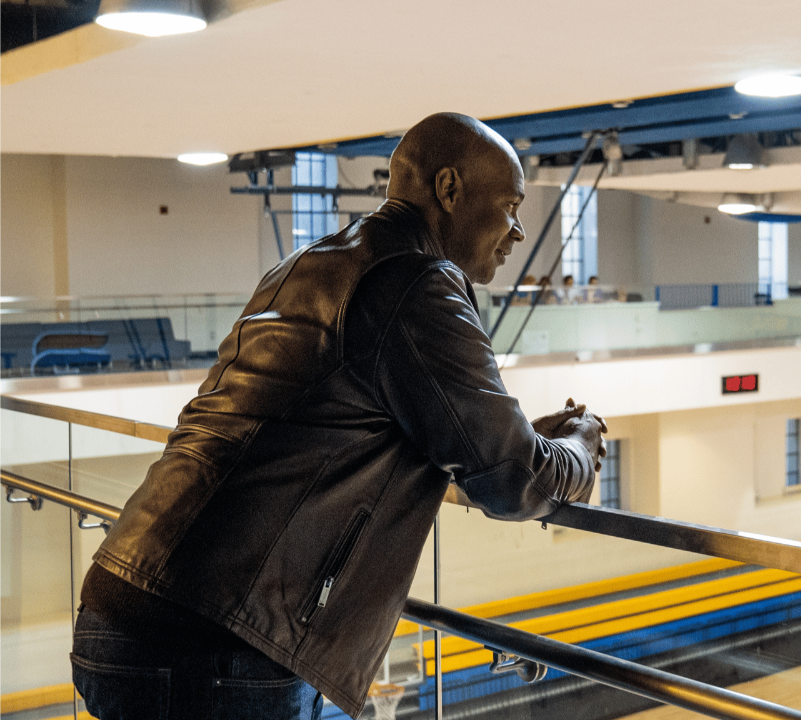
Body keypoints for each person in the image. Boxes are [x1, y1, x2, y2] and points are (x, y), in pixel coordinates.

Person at [71, 113, 607, 720]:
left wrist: (515, 438)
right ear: (450, 190)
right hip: (224, 643)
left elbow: (367, 423)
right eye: (510, 205)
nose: (515, 231)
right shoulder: (416, 281)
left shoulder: (308, 264)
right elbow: (514, 480)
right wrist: (582, 449)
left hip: (129, 599)